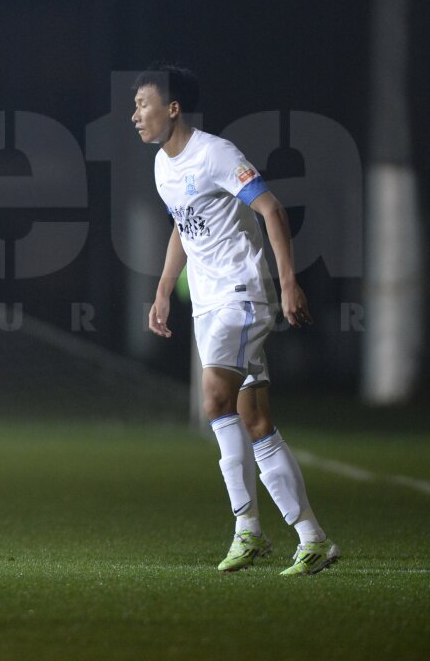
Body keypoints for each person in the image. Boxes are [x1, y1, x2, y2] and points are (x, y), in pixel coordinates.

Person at [132, 64, 341, 576]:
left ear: (173, 108)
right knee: (254, 420)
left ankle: (247, 528)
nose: (135, 116)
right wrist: (162, 291)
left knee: (214, 400)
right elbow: (184, 225)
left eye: (142, 104)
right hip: (208, 303)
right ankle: (312, 538)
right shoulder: (163, 165)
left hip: (242, 294)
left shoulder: (216, 154)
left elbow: (272, 210)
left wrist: (288, 282)